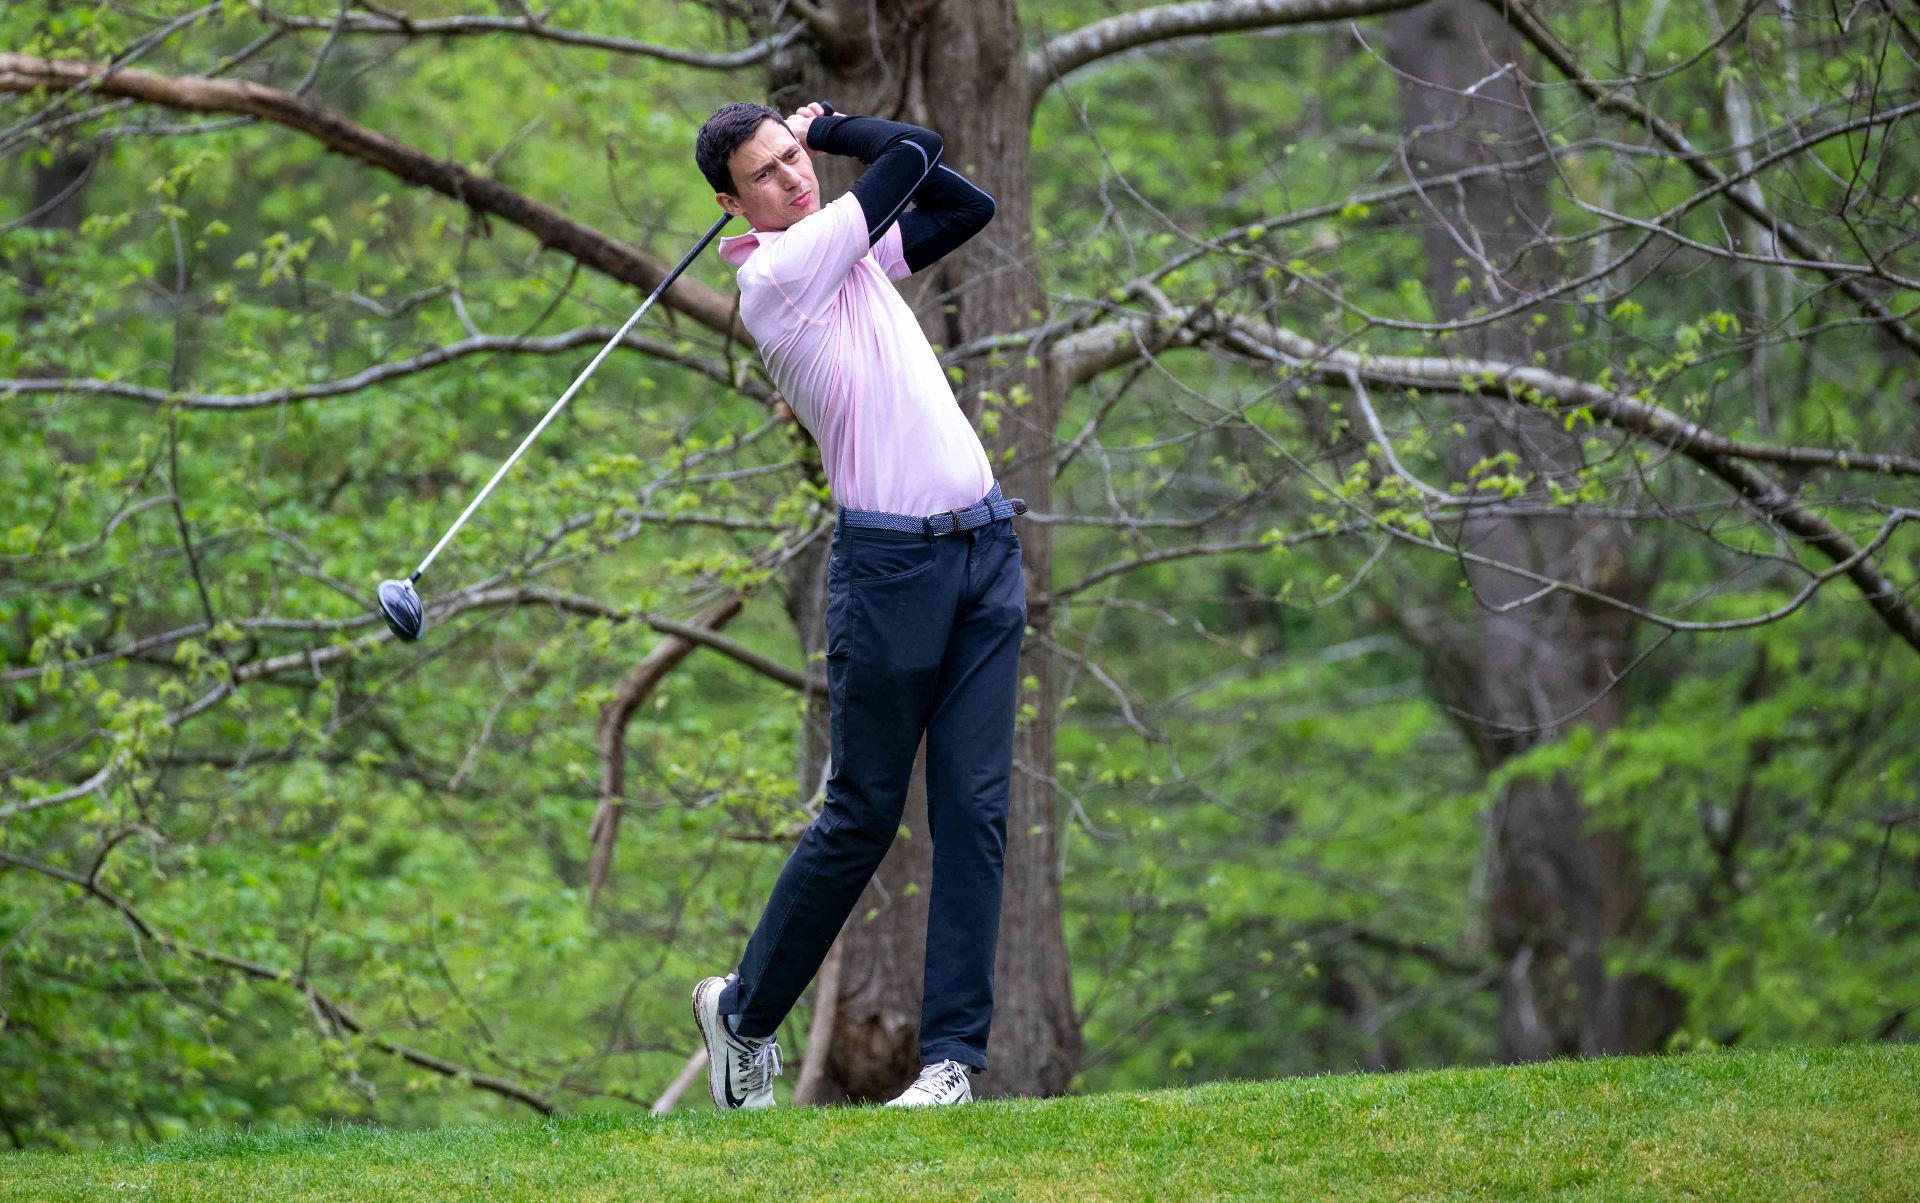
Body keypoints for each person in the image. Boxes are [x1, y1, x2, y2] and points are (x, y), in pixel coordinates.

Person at [686, 100, 1023, 1110]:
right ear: (731, 205)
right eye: (768, 172)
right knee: (864, 813)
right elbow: (918, 149)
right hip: (892, 574)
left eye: (796, 156)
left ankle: (951, 1062)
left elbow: (965, 205)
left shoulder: (853, 253)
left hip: (986, 550)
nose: (795, 176)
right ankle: (745, 1012)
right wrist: (834, 125)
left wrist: (823, 137)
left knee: (976, 811)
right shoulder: (782, 273)